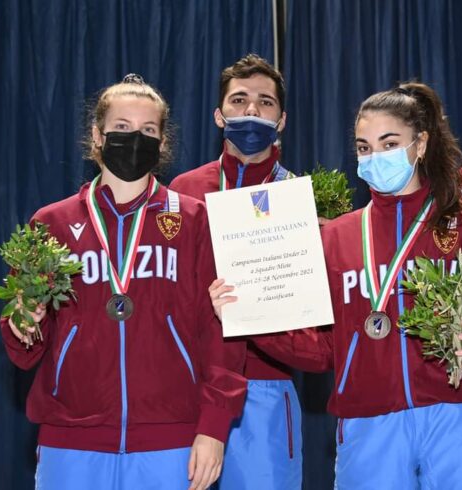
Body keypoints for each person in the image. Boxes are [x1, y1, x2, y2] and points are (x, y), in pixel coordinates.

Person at [212, 82, 462, 489]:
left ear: (420, 144)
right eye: (364, 147)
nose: (376, 157)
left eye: (389, 144)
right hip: (368, 423)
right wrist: (248, 318)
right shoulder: (336, 238)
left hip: (457, 417)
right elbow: (322, 348)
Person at [0, 75, 246, 490]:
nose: (135, 139)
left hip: (171, 439)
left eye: (148, 130)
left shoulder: (194, 220)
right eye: (122, 127)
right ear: (98, 136)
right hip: (71, 439)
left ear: (162, 143)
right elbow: (24, 349)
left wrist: (214, 427)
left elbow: (222, 333)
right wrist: (23, 324)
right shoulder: (51, 224)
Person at [170, 54, 302, 490]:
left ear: (281, 120)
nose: (251, 110)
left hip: (266, 385)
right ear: (218, 114)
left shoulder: (298, 197)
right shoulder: (182, 192)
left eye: (265, 102)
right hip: (190, 384)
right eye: (239, 99)